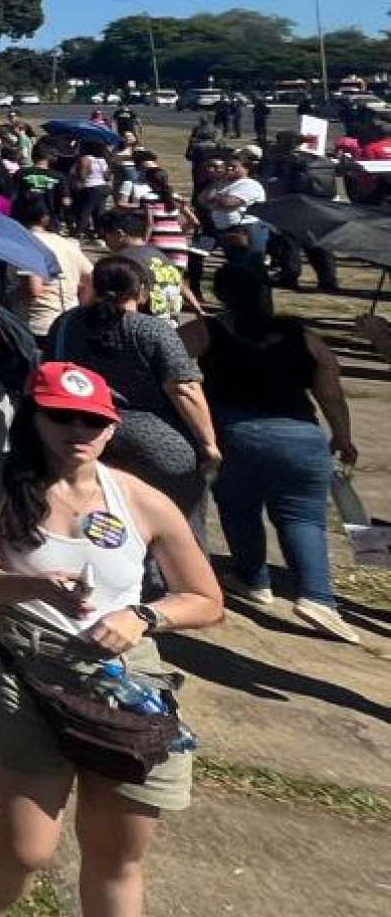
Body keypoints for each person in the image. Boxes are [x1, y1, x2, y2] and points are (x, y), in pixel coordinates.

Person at [0, 363, 225, 917]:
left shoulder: (140, 499)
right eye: (61, 416)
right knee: (25, 843)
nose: (78, 430)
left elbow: (206, 598)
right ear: (33, 417)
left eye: (93, 419)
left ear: (112, 423)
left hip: (123, 684)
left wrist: (145, 614)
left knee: (117, 849)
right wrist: (36, 585)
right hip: (30, 672)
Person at [199, 261, 363, 642]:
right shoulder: (304, 336)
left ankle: (253, 579)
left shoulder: (207, 331)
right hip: (302, 438)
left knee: (239, 509)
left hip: (235, 435)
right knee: (304, 520)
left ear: (221, 295)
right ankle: (318, 598)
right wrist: (343, 437)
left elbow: (168, 362)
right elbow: (331, 391)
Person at [46, 257, 218, 527]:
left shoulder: (66, 324)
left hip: (85, 434)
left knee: (107, 525)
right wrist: (208, 444)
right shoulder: (150, 329)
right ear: (140, 291)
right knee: (177, 528)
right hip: (154, 440)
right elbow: (184, 388)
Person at [11, 195, 92, 338]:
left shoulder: (26, 243)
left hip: (37, 322)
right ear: (45, 218)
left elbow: (34, 289)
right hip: (68, 319)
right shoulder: (66, 243)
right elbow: (89, 278)